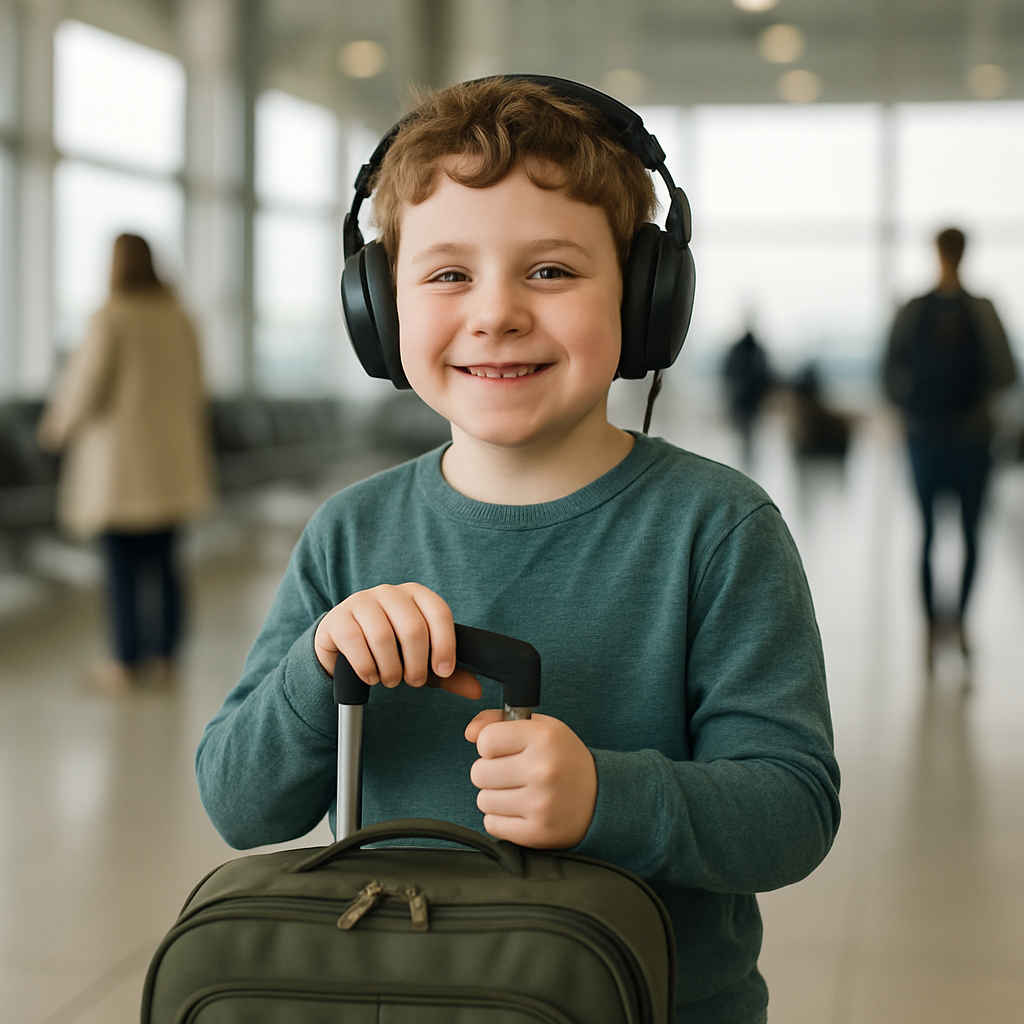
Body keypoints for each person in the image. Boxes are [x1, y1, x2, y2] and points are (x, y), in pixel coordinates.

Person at [196, 78, 840, 1024]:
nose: (495, 314)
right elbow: (239, 806)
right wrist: (317, 664)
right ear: (378, 308)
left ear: (646, 298)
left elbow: (791, 813)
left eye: (550, 271)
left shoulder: (718, 528)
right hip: (397, 1001)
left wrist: (602, 797)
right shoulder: (350, 532)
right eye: (448, 274)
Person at [38, 233, 214, 692]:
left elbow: (85, 384)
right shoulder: (179, 318)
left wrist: (57, 426)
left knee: (121, 566)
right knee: (165, 561)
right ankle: (166, 657)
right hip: (171, 462)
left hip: (122, 465)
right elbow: (198, 384)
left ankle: (125, 661)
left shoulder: (112, 317)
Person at [883, 227, 1017, 671]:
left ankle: (930, 628)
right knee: (970, 535)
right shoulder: (982, 310)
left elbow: (888, 371)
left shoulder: (914, 309)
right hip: (972, 439)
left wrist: (914, 406)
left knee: (927, 535)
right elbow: (1006, 372)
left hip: (925, 436)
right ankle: (957, 624)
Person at [723, 326, 772, 468]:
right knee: (747, 435)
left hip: (745, 400)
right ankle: (746, 463)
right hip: (749, 401)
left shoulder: (739, 351)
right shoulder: (756, 352)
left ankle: (745, 463)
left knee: (744, 435)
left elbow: (729, 373)